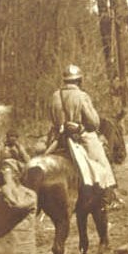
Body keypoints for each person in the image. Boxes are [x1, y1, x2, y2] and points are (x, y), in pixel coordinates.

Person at [47, 64, 116, 193]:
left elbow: (51, 116)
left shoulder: (55, 95)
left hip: (59, 137)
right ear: (79, 80)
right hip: (80, 136)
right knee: (101, 162)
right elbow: (94, 123)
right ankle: (107, 194)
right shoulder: (82, 96)